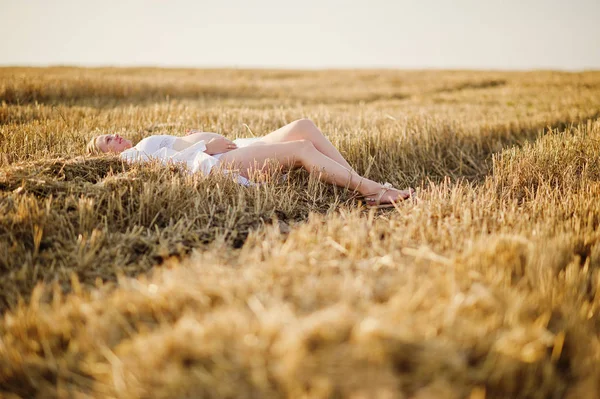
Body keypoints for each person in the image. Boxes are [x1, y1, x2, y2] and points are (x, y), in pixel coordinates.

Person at [86, 118, 413, 206]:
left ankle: (352, 178)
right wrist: (204, 141)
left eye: (110, 134)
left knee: (303, 125)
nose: (113, 136)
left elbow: (175, 147)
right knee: (301, 146)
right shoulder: (133, 156)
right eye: (105, 141)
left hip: (234, 148)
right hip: (219, 163)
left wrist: (200, 136)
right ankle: (371, 190)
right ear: (106, 156)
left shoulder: (144, 142)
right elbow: (173, 162)